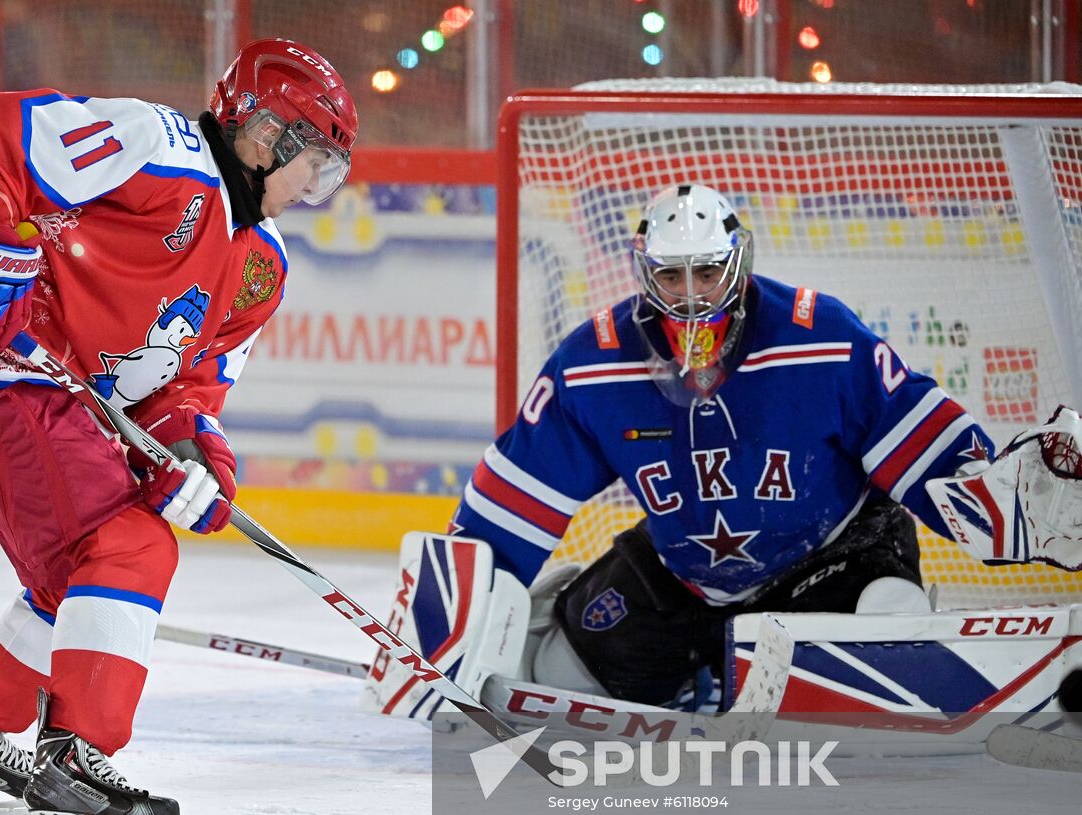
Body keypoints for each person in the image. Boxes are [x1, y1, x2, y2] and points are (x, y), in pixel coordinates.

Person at [373, 183, 1081, 718]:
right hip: (685, 572)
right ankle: (708, 668)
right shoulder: (594, 364)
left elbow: (931, 453)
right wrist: (445, 624)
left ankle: (765, 668)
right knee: (554, 680)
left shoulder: (822, 339)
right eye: (672, 276)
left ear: (737, 265)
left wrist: (1013, 495)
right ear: (643, 271)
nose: (689, 297)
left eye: (707, 273)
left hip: (834, 558)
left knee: (889, 622)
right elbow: (511, 510)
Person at [0, 38, 357, 815]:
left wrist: (197, 459)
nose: (315, 187)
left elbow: (190, 387)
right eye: (314, 162)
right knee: (127, 545)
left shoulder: (262, 265)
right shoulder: (156, 148)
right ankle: (76, 778)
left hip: (49, 397)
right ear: (265, 134)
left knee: (74, 576)